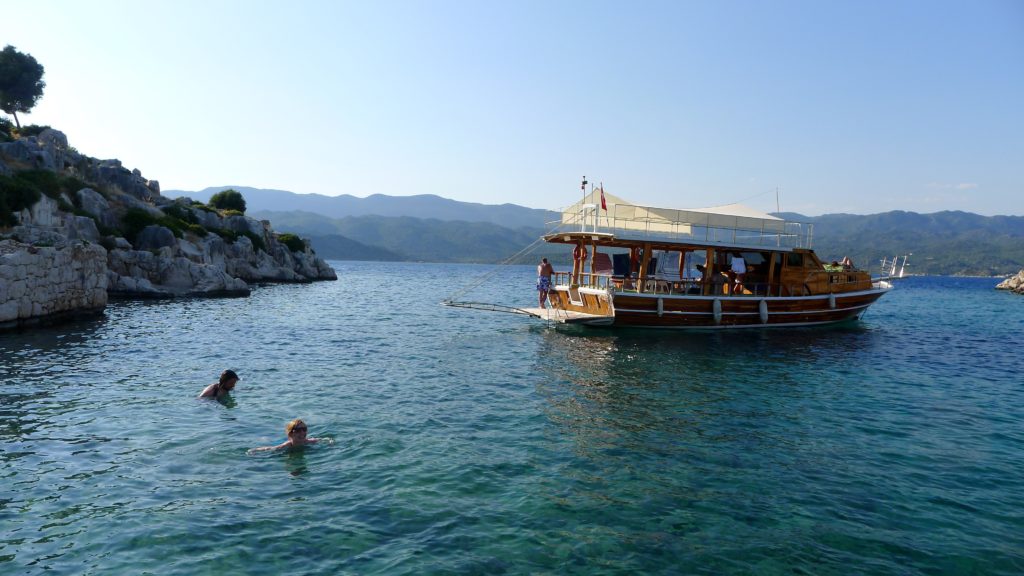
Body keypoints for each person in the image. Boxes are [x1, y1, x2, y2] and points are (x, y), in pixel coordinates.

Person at [250, 419, 321, 452]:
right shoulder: (286, 445)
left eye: (304, 429)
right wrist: (254, 450)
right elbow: (269, 448)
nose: (302, 432)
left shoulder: (309, 442)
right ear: (290, 433)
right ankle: (264, 438)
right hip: (277, 442)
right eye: (298, 430)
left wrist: (330, 441)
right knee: (268, 440)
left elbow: (324, 439)